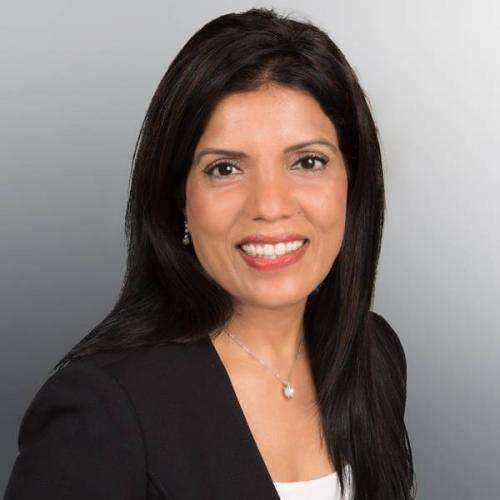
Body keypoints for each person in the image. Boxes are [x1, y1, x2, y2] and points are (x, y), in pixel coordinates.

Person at [4, 7, 416, 500]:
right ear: (179, 198)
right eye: (225, 169)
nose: (270, 206)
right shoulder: (101, 410)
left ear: (352, 180)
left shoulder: (372, 354)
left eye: (308, 161)